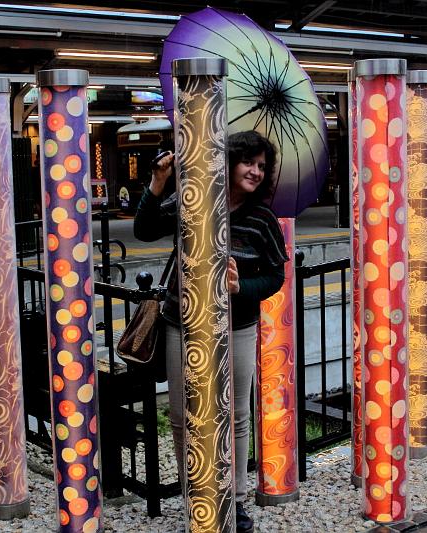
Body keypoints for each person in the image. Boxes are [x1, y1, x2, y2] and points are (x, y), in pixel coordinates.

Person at [134, 131, 288, 533]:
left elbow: (275, 276)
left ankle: (233, 501)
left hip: (237, 326)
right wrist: (157, 184)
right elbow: (144, 229)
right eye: (248, 162)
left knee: (235, 415)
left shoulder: (262, 219)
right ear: (230, 162)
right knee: (184, 415)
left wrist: (241, 288)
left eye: (261, 166)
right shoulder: (194, 200)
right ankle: (196, 493)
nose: (255, 171)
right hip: (179, 322)